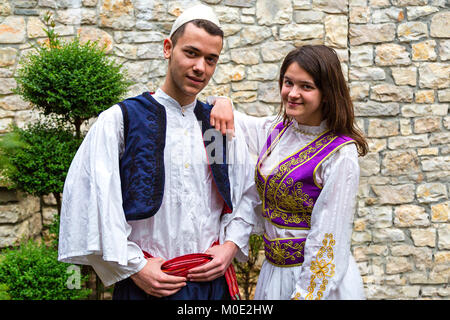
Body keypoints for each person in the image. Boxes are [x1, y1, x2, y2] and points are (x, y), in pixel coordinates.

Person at [58, 4, 258, 300]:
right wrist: (134, 266)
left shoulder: (215, 126)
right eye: (191, 53)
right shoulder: (121, 120)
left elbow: (240, 192)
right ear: (168, 48)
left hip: (211, 286)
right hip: (147, 285)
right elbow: (92, 198)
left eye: (210, 59)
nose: (200, 67)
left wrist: (230, 247)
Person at [211, 45, 368, 300]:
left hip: (314, 281)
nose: (293, 94)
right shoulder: (278, 131)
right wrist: (222, 101)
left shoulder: (340, 155)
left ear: (327, 93)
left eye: (306, 86)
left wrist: (306, 294)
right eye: (288, 83)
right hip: (274, 272)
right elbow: (233, 122)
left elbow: (328, 237)